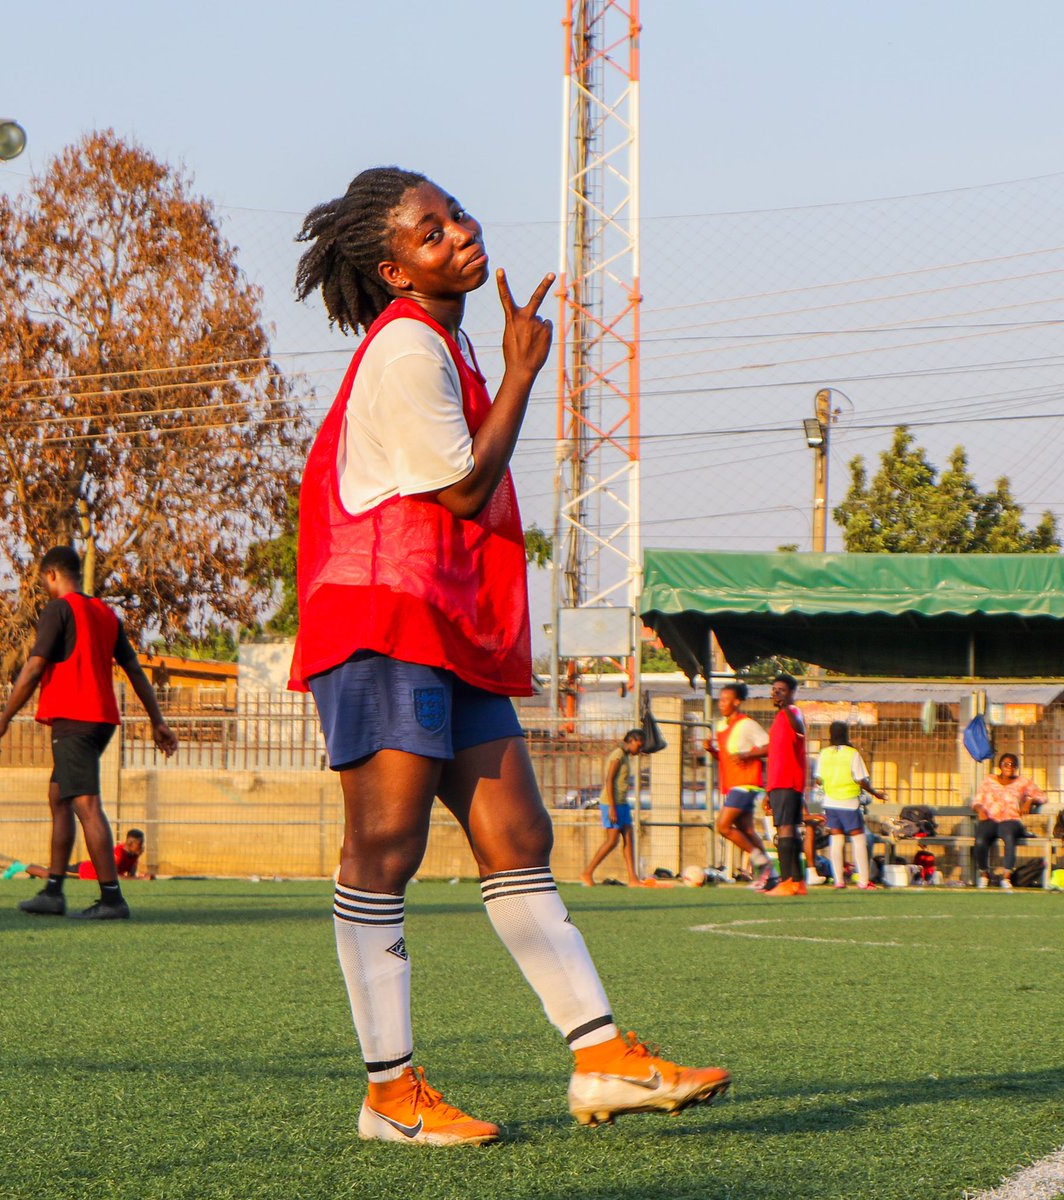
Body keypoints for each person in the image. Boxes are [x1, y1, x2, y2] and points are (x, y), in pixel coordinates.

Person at [288, 167, 729, 1146]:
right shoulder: (407, 347)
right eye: (429, 229)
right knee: (384, 851)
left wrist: (510, 365)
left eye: (455, 215)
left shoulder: (445, 344)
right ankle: (389, 1093)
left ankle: (601, 1056)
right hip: (384, 626)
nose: (458, 233)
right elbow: (458, 489)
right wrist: (527, 370)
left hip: (445, 631)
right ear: (393, 267)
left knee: (517, 838)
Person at [0, 547, 177, 919]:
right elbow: (135, 671)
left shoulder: (59, 609)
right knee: (59, 797)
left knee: (85, 805)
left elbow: (35, 666)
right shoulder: (105, 613)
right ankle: (53, 892)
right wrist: (158, 721)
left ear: (52, 575)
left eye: (44, 580)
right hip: (101, 719)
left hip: (73, 718)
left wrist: (2, 721)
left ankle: (111, 899)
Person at [739, 673, 808, 896]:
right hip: (778, 782)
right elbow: (774, 750)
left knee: (786, 829)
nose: (776, 692)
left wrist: (786, 705)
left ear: (791, 694)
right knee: (788, 830)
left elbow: (799, 728)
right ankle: (797, 882)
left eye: (782, 690)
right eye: (774, 689)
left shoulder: (793, 712)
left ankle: (788, 880)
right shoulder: (779, 719)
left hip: (788, 780)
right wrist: (768, 790)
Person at [705, 683, 776, 890]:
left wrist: (747, 754)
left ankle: (764, 865)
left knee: (723, 826)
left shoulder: (747, 724)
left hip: (746, 783)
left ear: (737, 702)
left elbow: (770, 746)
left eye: (726, 699)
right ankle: (770, 876)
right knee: (746, 829)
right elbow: (727, 759)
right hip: (733, 784)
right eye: (720, 699)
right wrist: (711, 750)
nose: (722, 703)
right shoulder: (721, 726)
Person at [814, 721, 885, 890]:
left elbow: (818, 779)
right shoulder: (852, 754)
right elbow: (861, 780)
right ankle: (863, 881)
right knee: (859, 839)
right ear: (846, 734)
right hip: (849, 802)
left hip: (830, 802)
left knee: (836, 840)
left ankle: (839, 880)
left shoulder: (824, 754)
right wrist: (875, 793)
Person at [580, 729, 648, 887]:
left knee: (628, 839)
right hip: (611, 803)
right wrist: (611, 808)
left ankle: (633, 879)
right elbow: (609, 781)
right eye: (639, 745)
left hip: (622, 803)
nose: (640, 749)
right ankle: (587, 872)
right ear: (631, 741)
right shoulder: (617, 756)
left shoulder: (625, 756)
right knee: (612, 841)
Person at [972, 752, 1045, 889]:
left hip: (1011, 820)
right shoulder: (989, 781)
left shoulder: (1023, 782)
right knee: (980, 839)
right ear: (1000, 766)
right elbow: (977, 801)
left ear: (1016, 767)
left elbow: (1042, 797)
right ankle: (984, 874)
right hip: (991, 818)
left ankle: (1006, 876)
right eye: (1006, 764)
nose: (1009, 767)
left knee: (1008, 835)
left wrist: (1030, 801)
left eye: (1013, 765)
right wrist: (980, 809)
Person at [3, 829, 149, 881]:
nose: (142, 847)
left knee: (52, 873)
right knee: (52, 875)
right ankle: (19, 866)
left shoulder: (133, 854)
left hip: (86, 871)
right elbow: (115, 877)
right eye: (140, 844)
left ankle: (30, 872)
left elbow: (129, 875)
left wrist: (136, 874)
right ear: (130, 843)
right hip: (82, 872)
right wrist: (139, 880)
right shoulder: (117, 853)